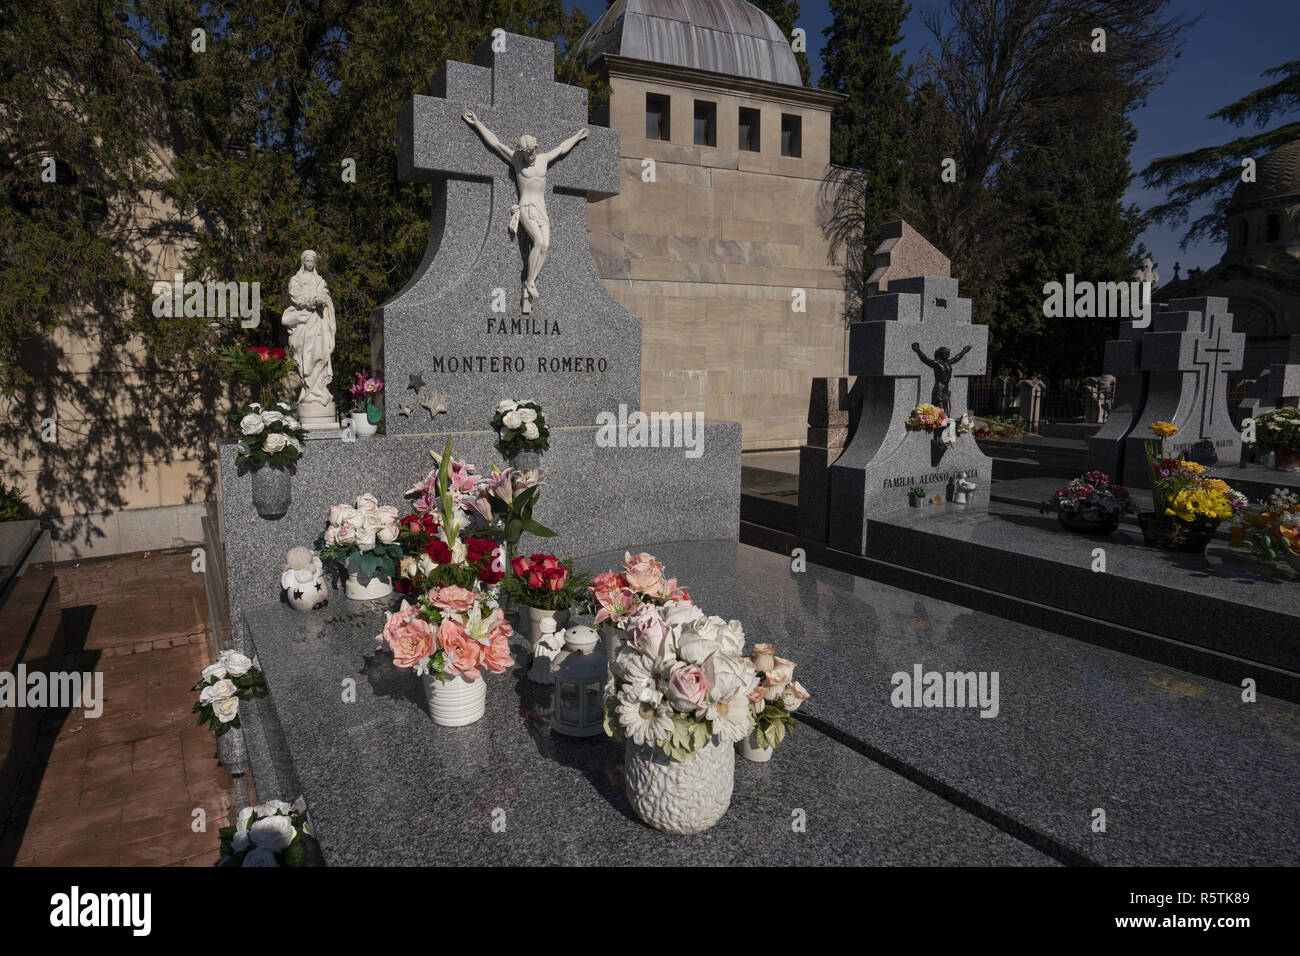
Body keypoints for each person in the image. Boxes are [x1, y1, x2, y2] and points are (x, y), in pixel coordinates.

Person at [462, 109, 588, 310]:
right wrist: (477, 123)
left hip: (541, 209)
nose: (531, 156)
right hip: (526, 206)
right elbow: (494, 143)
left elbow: (562, 149)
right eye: (527, 153)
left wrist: (576, 137)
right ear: (521, 153)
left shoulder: (544, 159)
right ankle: (529, 282)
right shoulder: (516, 161)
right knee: (538, 242)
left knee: (545, 246)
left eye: (533, 152)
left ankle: (531, 282)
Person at [281, 250, 336, 419]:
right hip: (303, 321)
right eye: (307, 260)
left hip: (318, 321)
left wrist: (322, 299)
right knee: (306, 356)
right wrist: (312, 300)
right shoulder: (296, 280)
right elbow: (296, 296)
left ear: (315, 263)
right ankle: (309, 391)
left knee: (320, 353)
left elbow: (324, 295)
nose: (310, 263)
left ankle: (319, 391)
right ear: (302, 262)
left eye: (312, 261)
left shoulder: (319, 280)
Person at [911, 342, 971, 414]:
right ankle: (939, 424)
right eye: (946, 354)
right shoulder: (936, 363)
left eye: (948, 354)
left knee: (947, 410)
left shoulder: (947, 363)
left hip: (945, 389)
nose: (948, 356)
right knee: (940, 411)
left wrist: (964, 351)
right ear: (941, 354)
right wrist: (918, 350)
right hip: (939, 389)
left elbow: (956, 358)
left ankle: (945, 424)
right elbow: (925, 359)